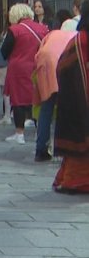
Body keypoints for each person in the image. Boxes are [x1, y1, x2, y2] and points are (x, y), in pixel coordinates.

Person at [53, 0, 89, 192]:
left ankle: (73, 179)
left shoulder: (80, 39)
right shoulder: (81, 40)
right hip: (80, 99)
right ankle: (76, 180)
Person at [1, 3, 49, 145]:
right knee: (36, 99)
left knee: (18, 101)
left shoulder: (14, 30)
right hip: (37, 67)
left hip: (18, 69)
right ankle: (39, 132)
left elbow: (4, 52)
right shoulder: (42, 28)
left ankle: (19, 134)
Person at [33, 27, 77, 162]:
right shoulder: (76, 36)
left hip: (44, 60)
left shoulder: (54, 33)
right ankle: (64, 148)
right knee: (66, 108)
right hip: (61, 63)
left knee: (47, 105)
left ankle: (41, 149)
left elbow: (40, 49)